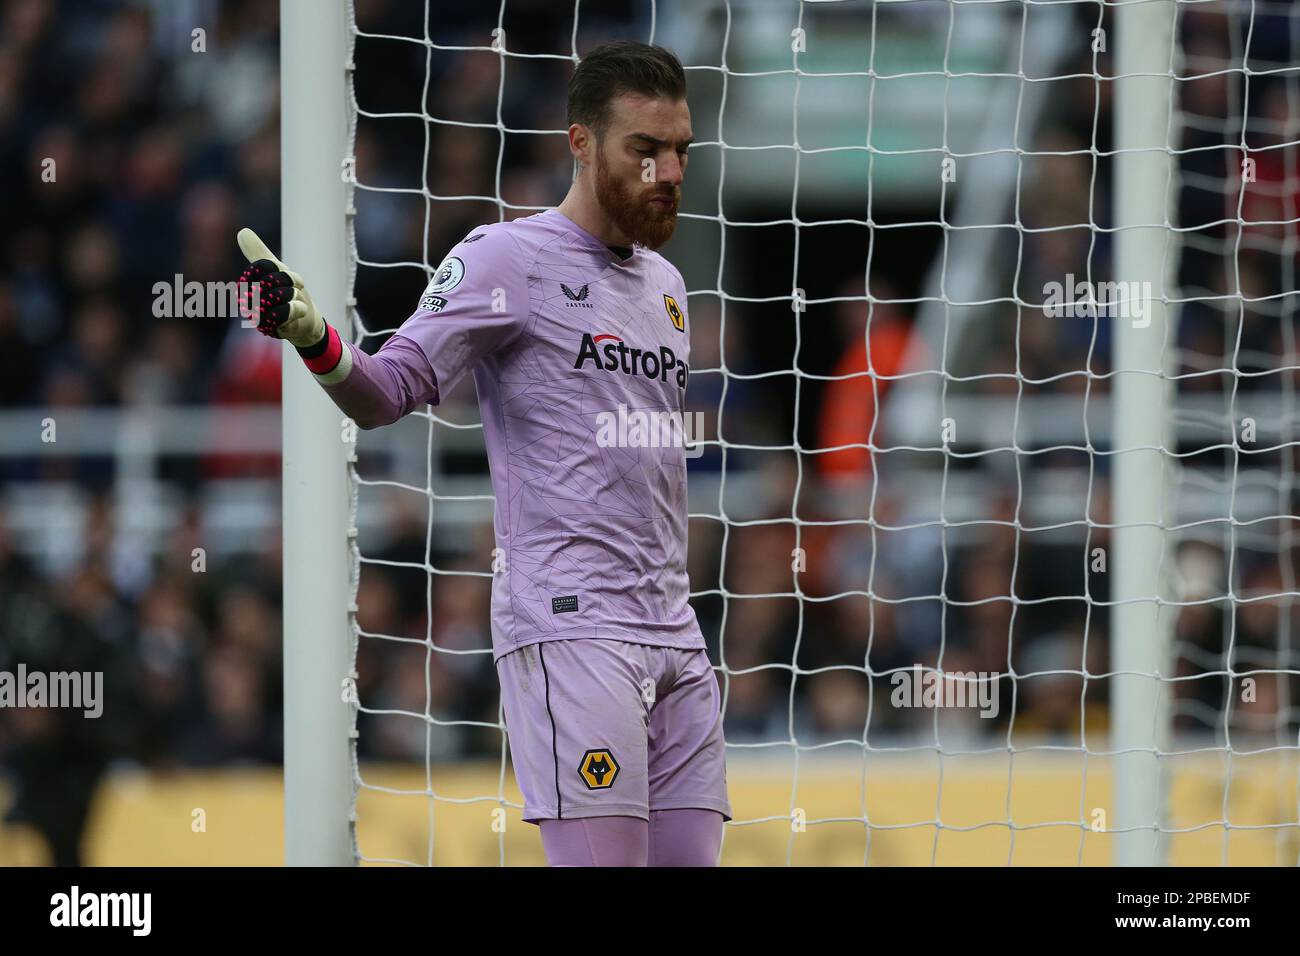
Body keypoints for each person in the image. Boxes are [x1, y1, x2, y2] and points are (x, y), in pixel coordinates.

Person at [236, 40, 730, 866]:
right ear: (581, 144)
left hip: (674, 629)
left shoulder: (668, 288)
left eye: (680, 150)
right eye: (643, 151)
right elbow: (389, 389)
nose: (668, 172)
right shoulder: (507, 258)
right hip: (572, 628)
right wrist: (311, 334)